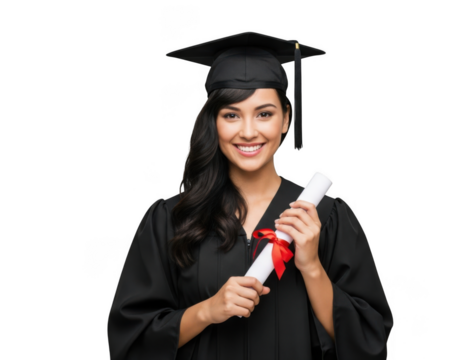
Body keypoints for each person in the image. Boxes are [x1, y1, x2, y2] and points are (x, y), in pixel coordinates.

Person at [107, 32, 393, 360]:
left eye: (264, 113)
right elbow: (131, 339)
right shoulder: (170, 220)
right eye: (231, 114)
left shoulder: (326, 218)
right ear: (214, 122)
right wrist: (207, 310)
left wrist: (312, 266)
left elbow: (369, 342)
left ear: (286, 118)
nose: (247, 131)